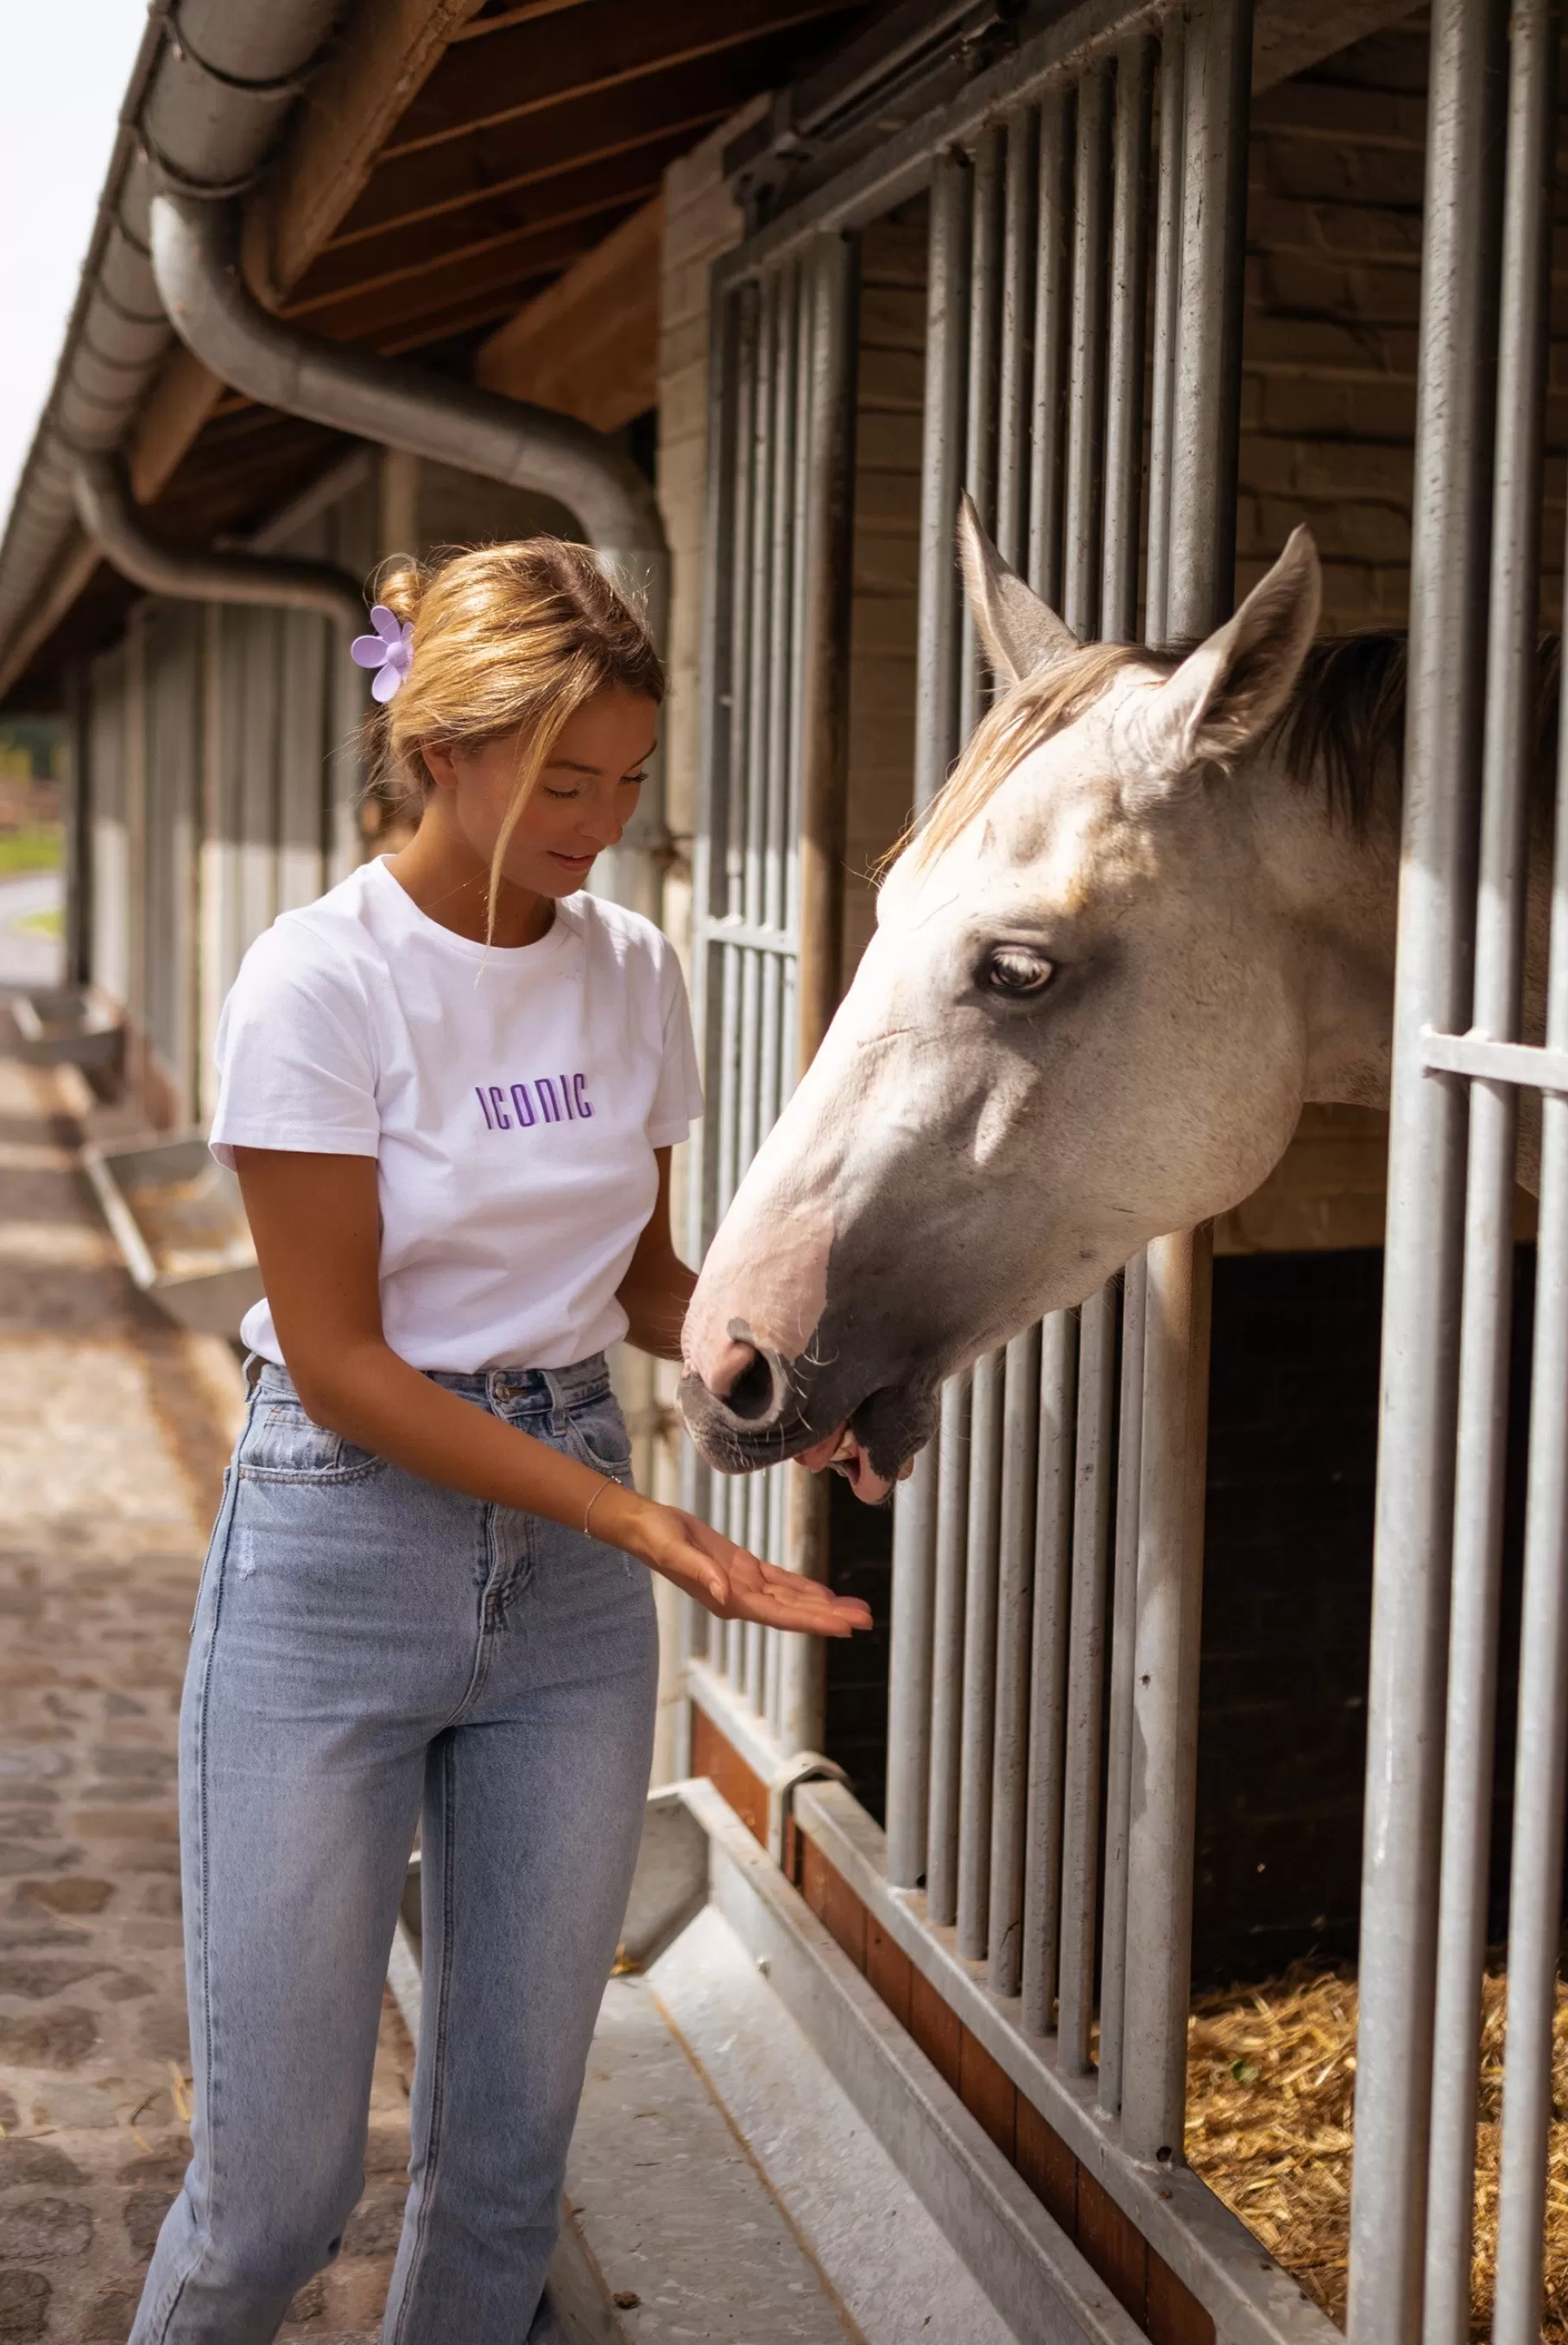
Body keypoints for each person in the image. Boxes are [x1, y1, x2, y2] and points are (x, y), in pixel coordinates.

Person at [130, 539, 871, 2345]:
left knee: (504, 2174)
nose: (601, 819)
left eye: (626, 779)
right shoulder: (316, 982)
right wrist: (644, 1519)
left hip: (561, 1601)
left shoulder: (630, 972)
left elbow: (634, 1277)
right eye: (562, 779)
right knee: (273, 2199)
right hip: (339, 1543)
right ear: (441, 745)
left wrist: (790, 1376)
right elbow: (347, 1359)